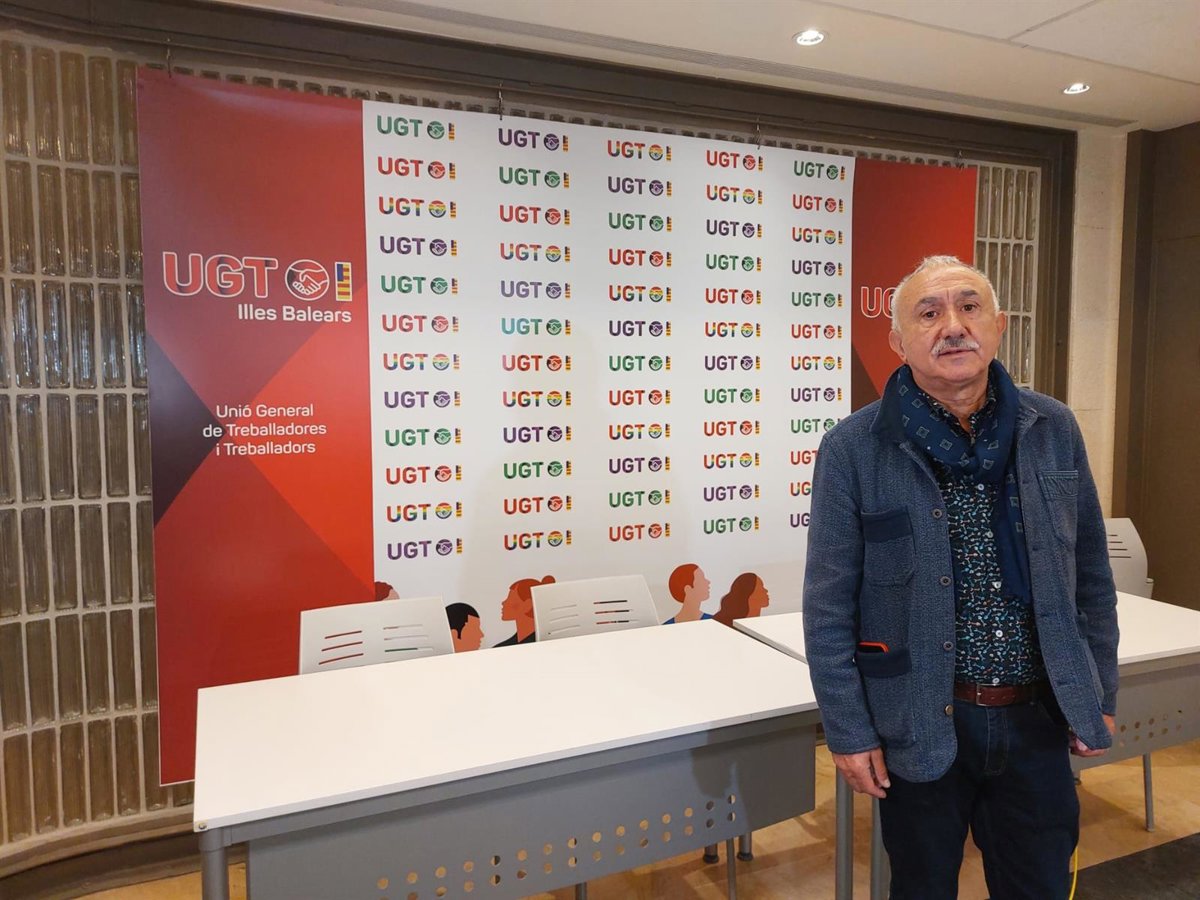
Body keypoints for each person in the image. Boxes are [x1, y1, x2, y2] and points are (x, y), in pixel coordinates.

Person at [802, 255, 1118, 899]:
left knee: (1039, 886)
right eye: (929, 313)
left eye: (969, 307)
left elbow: (1091, 576)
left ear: (997, 326)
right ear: (897, 341)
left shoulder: (1052, 428)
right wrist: (849, 731)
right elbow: (828, 609)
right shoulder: (854, 448)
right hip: (918, 721)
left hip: (1037, 717)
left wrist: (1101, 694)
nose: (953, 326)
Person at [495, 575, 555, 646]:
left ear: (527, 605)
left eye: (510, 598)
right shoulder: (502, 647)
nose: (504, 602)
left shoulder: (548, 642)